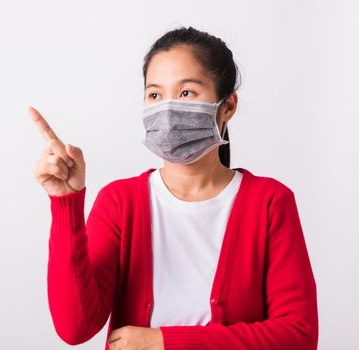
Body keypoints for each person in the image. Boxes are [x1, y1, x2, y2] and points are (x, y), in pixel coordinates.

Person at [29, 26, 318, 350]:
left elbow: (298, 336)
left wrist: (165, 341)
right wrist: (66, 203)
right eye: (155, 95)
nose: (167, 110)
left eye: (186, 93)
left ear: (228, 106)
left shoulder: (269, 202)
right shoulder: (120, 202)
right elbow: (75, 328)